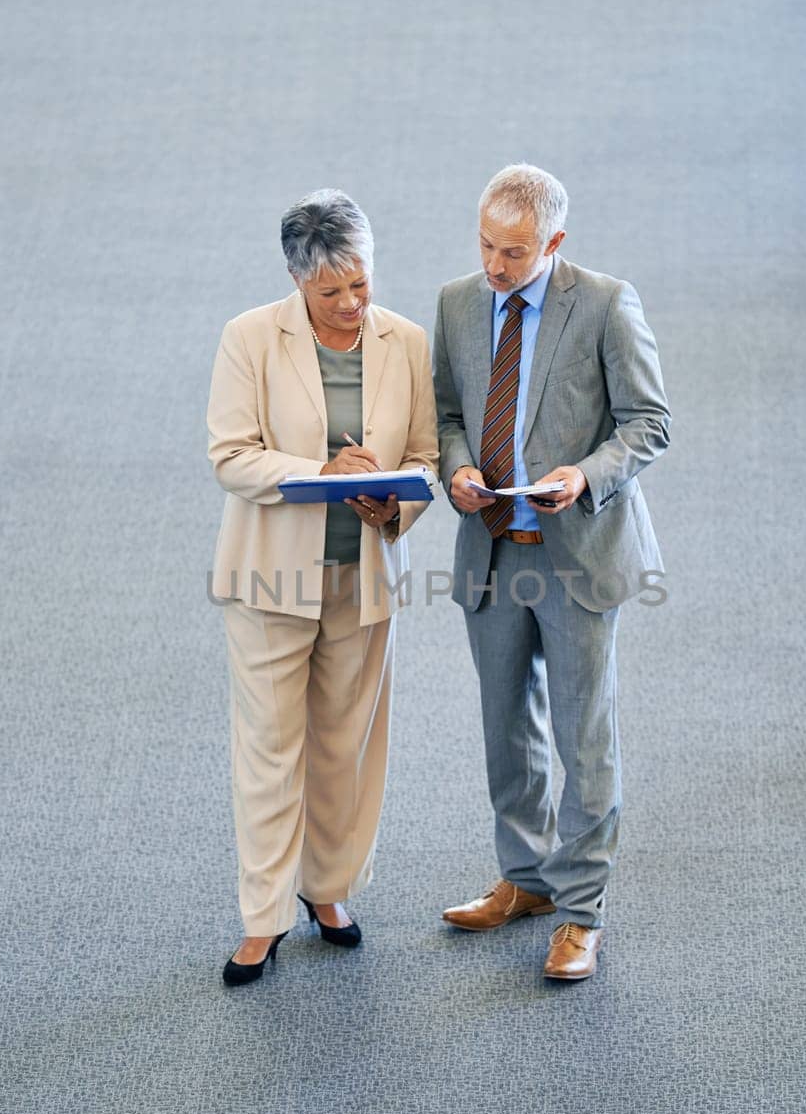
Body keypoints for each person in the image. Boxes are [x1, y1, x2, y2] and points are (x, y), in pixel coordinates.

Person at [433, 163, 670, 983]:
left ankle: (580, 913)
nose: (495, 267)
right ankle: (526, 881)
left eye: (515, 252)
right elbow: (451, 415)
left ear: (555, 242)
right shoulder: (458, 302)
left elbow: (649, 423)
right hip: (493, 550)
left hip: (578, 557)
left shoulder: (605, 303)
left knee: (583, 740)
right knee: (507, 733)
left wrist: (587, 475)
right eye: (487, 247)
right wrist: (456, 471)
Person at [207, 190, 438, 986]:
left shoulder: (405, 341)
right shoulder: (248, 338)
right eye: (330, 291)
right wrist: (319, 474)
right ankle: (262, 916)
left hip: (362, 576)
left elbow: (423, 454)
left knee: (344, 747)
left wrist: (393, 500)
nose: (350, 304)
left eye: (361, 284)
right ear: (296, 280)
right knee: (271, 751)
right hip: (270, 578)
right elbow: (230, 455)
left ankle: (328, 890)